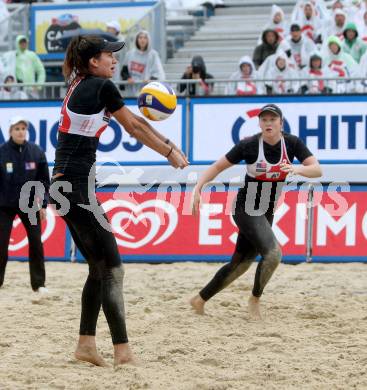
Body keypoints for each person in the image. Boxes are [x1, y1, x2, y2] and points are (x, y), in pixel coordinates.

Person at [50, 35, 188, 367]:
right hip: (75, 189)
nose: (115, 59)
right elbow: (135, 127)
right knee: (113, 269)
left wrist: (167, 144)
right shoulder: (99, 86)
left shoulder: (79, 82)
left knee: (99, 269)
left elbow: (137, 124)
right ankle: (123, 353)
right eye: (109, 54)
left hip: (65, 187)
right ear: (93, 62)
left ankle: (86, 345)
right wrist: (169, 150)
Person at [190, 104, 322, 319]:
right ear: (259, 123)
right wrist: (198, 188)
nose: (268, 123)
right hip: (245, 206)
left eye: (272, 119)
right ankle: (255, 299)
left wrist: (297, 168)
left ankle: (200, 299)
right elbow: (216, 168)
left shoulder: (292, 143)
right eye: (264, 120)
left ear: (281, 122)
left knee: (240, 264)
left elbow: (317, 169)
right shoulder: (249, 145)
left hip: (267, 209)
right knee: (274, 254)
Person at [0, 116, 50, 292]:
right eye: (17, 129)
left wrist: (43, 204)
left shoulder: (36, 152)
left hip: (29, 205)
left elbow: (44, 181)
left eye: (23, 128)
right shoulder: (2, 152)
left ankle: (39, 285)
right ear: (10, 131)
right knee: (1, 245)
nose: (21, 131)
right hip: (4, 205)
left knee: (36, 243)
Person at [120, 30, 165, 96]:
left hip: (147, 91)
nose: (142, 40)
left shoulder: (153, 55)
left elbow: (158, 72)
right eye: (140, 37)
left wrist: (150, 80)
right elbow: (124, 71)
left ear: (148, 40)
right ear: (136, 40)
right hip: (131, 91)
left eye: (145, 38)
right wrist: (128, 78)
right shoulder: (129, 54)